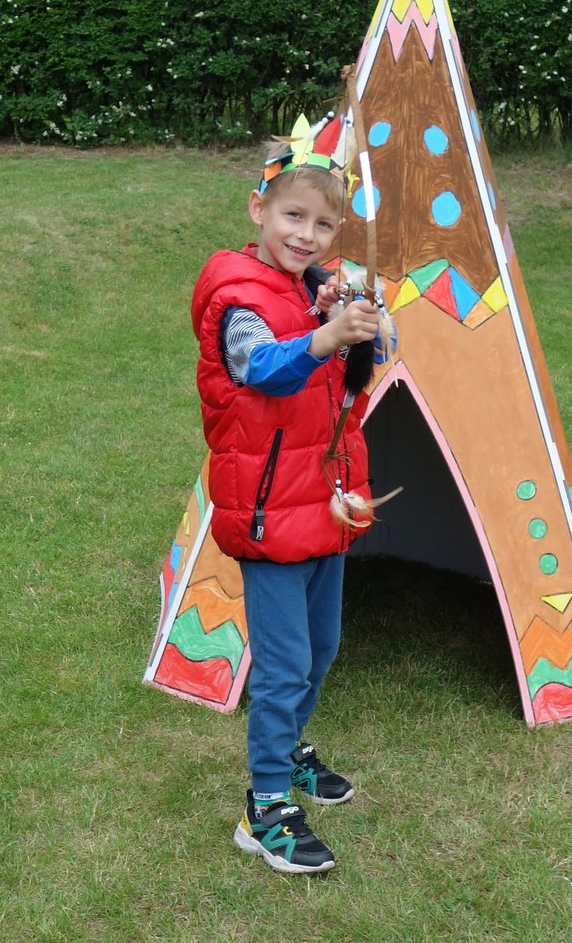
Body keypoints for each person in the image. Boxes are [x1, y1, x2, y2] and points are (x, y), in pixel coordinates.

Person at [189, 112, 383, 874]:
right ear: (258, 210)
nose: (306, 235)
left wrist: (354, 333)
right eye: (292, 217)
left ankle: (291, 750)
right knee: (281, 668)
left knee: (321, 648)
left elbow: (346, 389)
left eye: (323, 224)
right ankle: (264, 807)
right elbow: (263, 370)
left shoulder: (312, 290)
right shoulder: (237, 295)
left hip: (324, 503)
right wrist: (324, 336)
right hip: (270, 514)